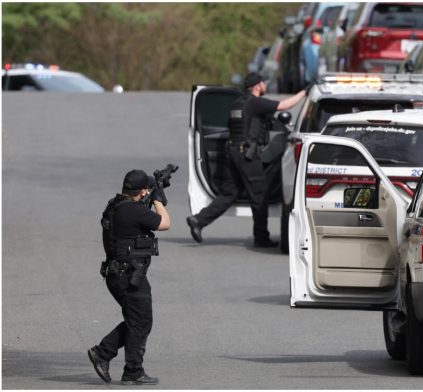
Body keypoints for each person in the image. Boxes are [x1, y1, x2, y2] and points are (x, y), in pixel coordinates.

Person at [186, 72, 309, 247]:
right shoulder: (255, 102)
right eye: (263, 83)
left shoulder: (236, 103)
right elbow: (284, 105)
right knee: (259, 195)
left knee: (229, 193)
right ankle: (261, 237)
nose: (265, 85)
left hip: (232, 152)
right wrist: (304, 92)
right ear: (257, 86)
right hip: (247, 155)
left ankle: (198, 221)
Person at [88, 169, 171, 385]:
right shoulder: (134, 211)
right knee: (141, 322)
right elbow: (164, 223)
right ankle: (129, 369)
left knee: (137, 321)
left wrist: (150, 194)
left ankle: (105, 353)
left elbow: (134, 220)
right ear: (142, 192)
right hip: (129, 276)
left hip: (117, 274)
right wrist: (159, 200)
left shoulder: (115, 205)